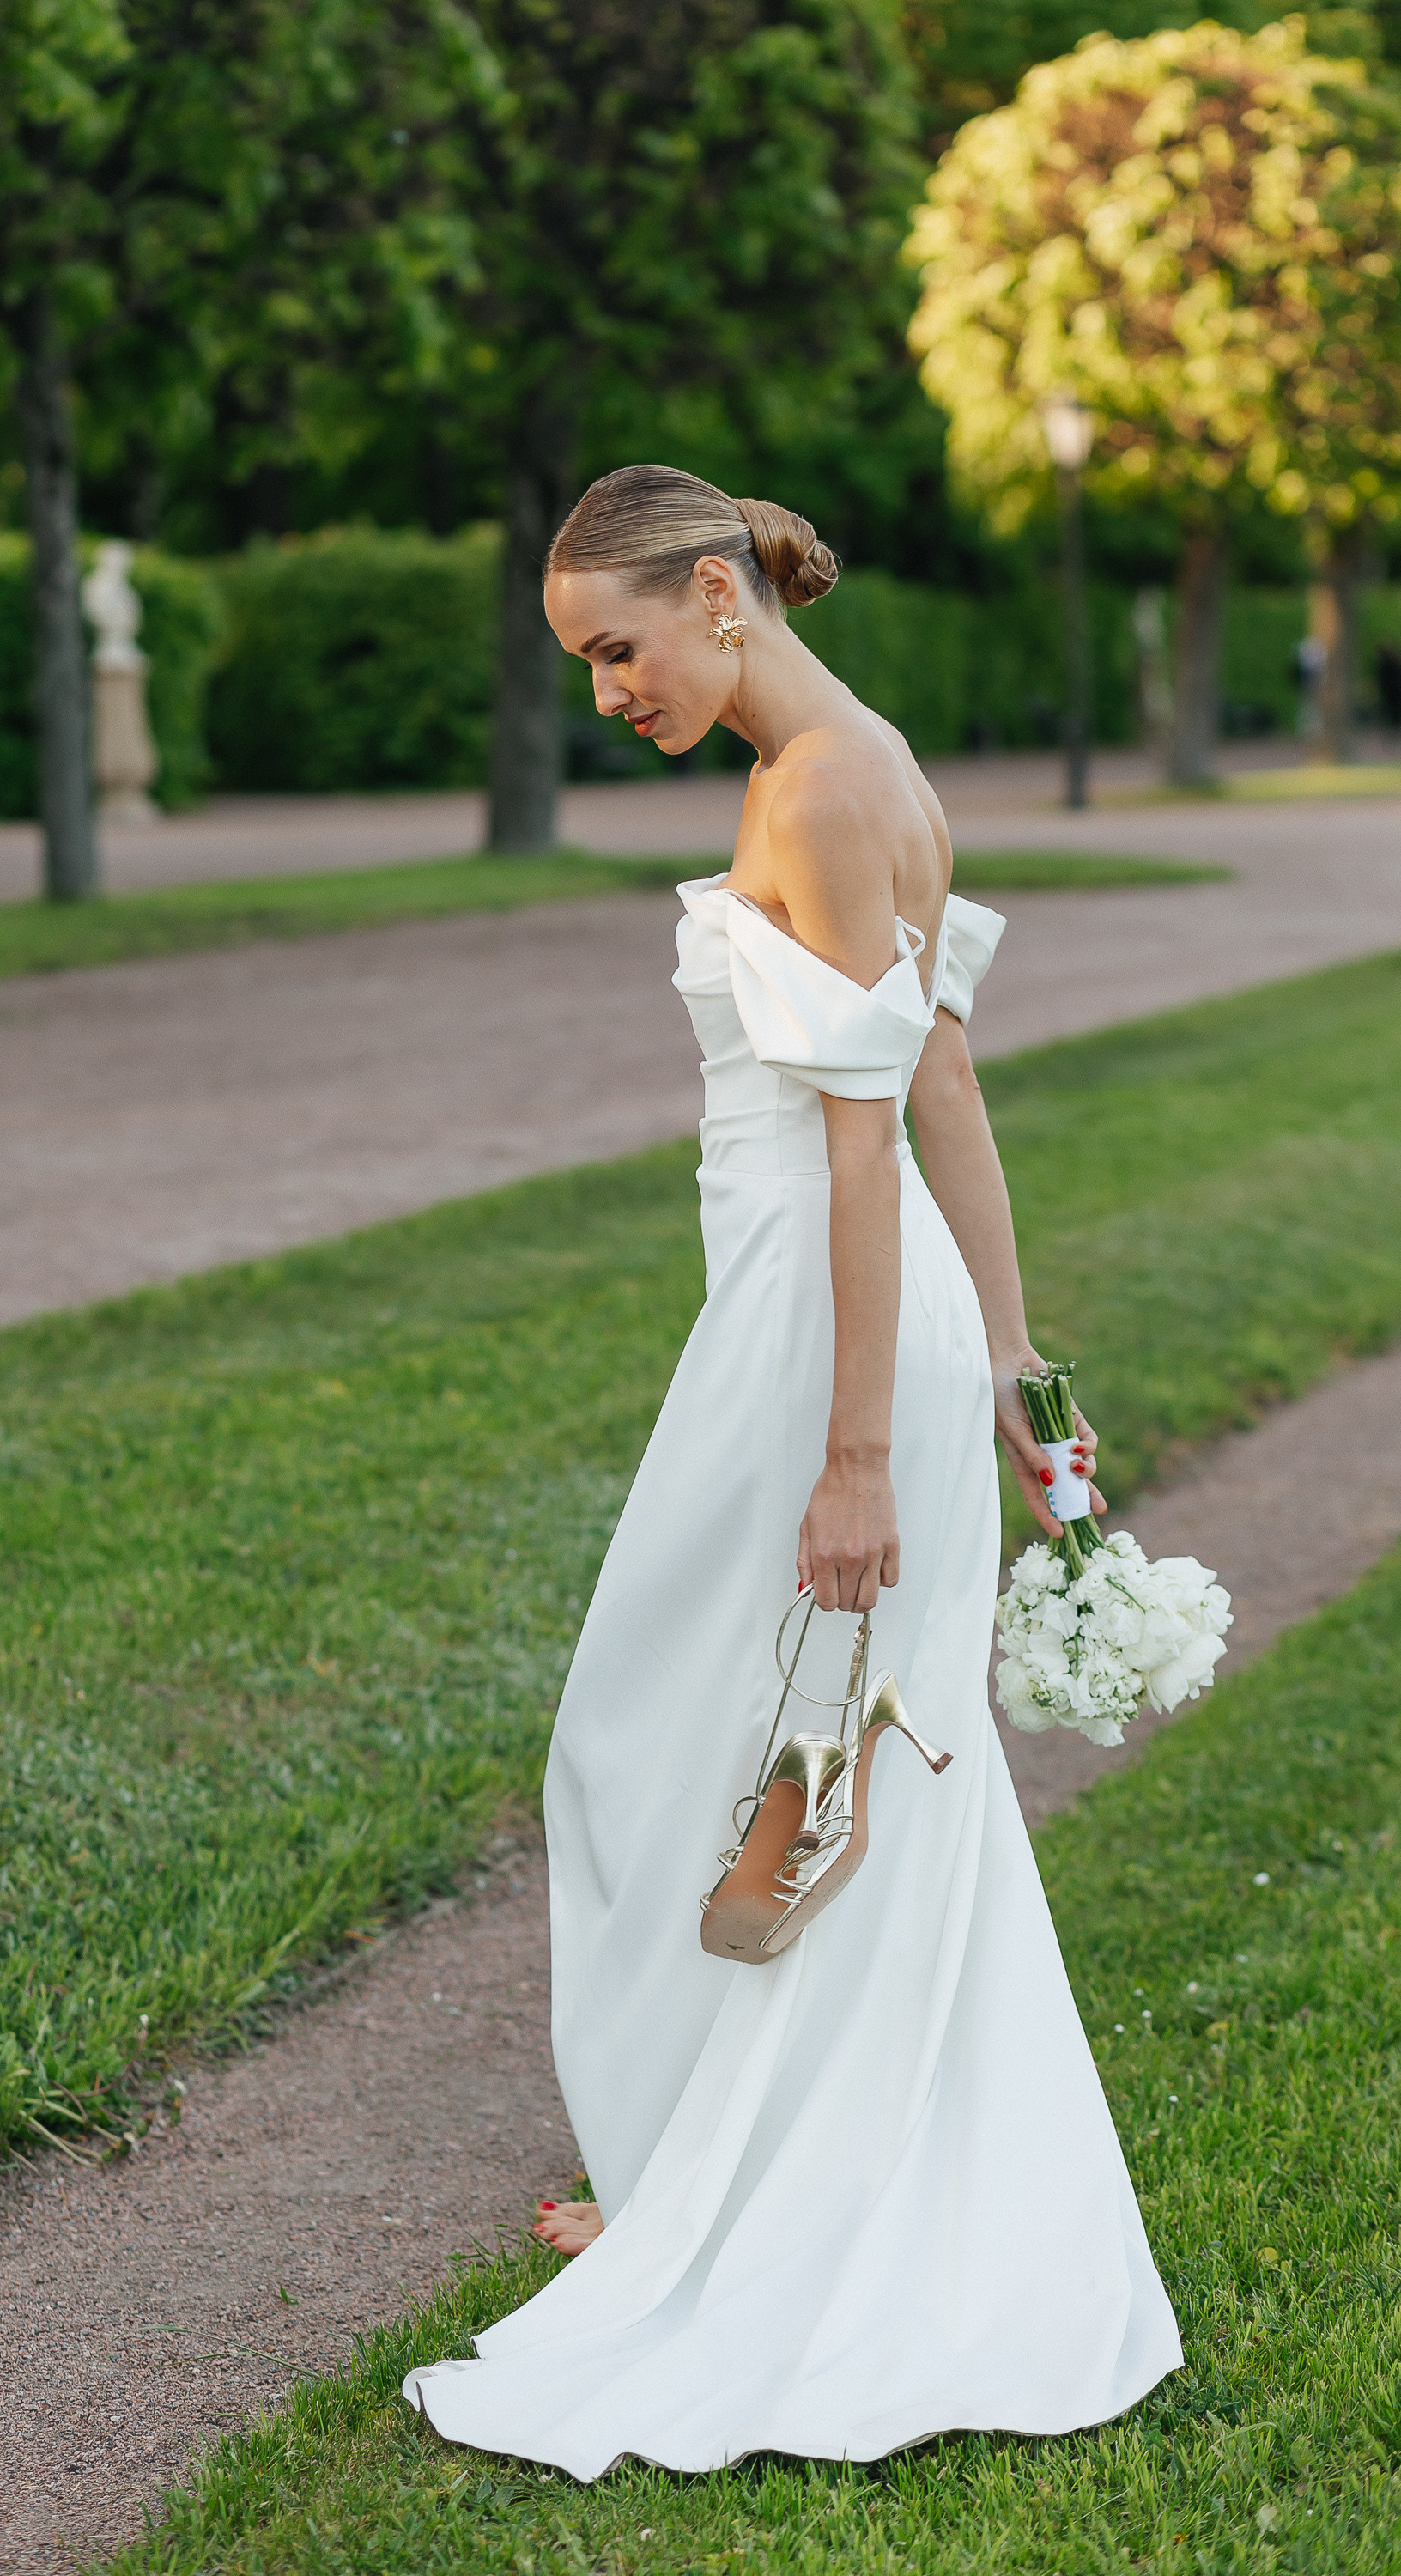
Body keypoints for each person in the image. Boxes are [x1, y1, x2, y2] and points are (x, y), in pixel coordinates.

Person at [403, 465, 1180, 2476]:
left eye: (621, 648)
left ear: (721, 591)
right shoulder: (866, 763)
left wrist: (869, 1456)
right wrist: (1011, 1363)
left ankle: (741, 2215)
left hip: (816, 1344)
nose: (608, 692)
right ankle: (719, 2187)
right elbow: (947, 1090)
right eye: (585, 665)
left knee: (688, 1748)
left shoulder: (819, 792)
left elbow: (876, 1137)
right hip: (852, 1322)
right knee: (804, 1763)